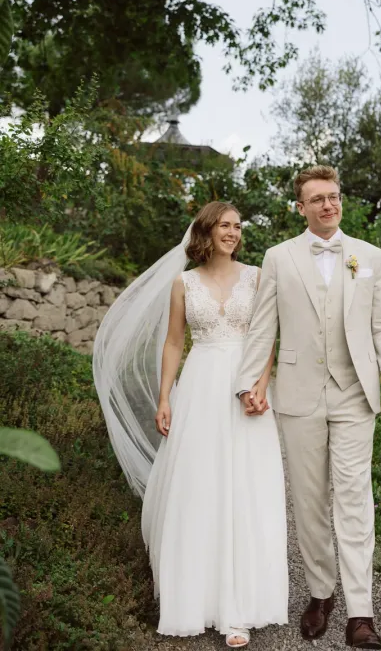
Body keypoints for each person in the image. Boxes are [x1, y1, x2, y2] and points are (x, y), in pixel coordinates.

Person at [93, 202, 288, 648]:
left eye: (238, 227)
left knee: (247, 487)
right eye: (225, 225)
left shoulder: (258, 277)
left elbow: (266, 336)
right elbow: (174, 342)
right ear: (206, 230)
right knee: (200, 486)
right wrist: (164, 397)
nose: (233, 233)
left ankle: (240, 606)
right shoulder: (183, 283)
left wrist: (260, 385)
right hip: (199, 387)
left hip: (246, 387)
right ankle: (194, 599)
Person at [235, 165, 381, 650]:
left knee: (354, 500)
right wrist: (250, 383)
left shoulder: (369, 256)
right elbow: (261, 325)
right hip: (297, 394)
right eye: (317, 199)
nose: (328, 205)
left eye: (333, 196)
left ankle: (361, 613)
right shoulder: (279, 257)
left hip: (356, 393)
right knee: (309, 502)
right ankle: (320, 594)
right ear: (301, 207)